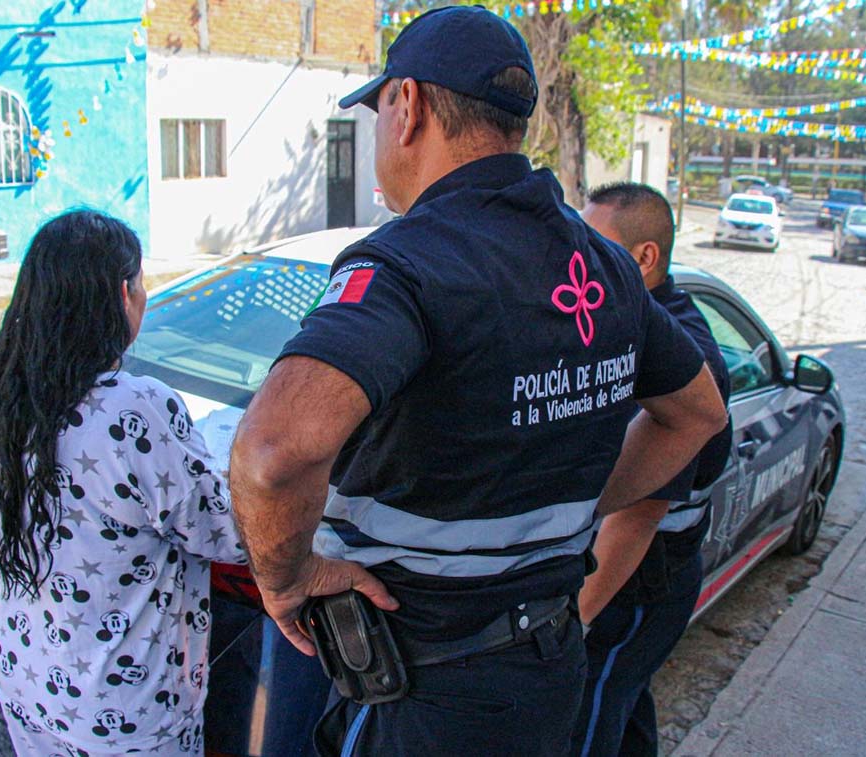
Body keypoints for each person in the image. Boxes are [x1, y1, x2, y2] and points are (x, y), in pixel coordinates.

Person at [228, 7, 727, 756]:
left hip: (421, 690)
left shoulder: (407, 262)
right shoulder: (604, 264)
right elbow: (698, 414)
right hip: (545, 673)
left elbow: (273, 452)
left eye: (379, 109)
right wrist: (576, 502)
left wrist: (286, 578)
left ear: (409, 106)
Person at [0, 210, 244, 757]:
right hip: (122, 713)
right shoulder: (136, 408)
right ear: (123, 293)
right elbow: (227, 533)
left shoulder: (1, 399)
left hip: (25, 680)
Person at [571, 182, 733, 757]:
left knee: (588, 713)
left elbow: (638, 516)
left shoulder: (677, 351)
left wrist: (573, 624)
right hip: (616, 567)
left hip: (633, 581)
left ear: (645, 258)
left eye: (595, 248)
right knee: (625, 707)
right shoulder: (616, 315)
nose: (578, 260)